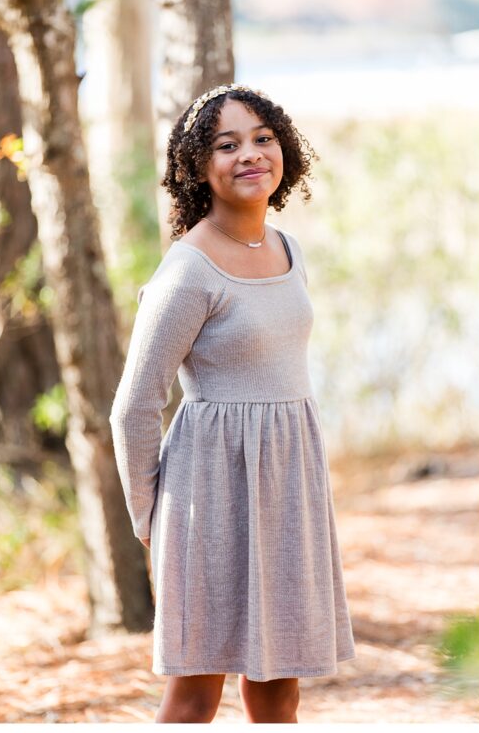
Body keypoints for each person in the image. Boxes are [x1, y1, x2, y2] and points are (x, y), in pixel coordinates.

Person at [110, 84, 355, 722]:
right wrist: (148, 516)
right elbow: (135, 405)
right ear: (198, 166)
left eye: (262, 139)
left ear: (285, 152)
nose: (250, 155)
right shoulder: (187, 271)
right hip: (208, 495)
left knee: (279, 685)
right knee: (196, 689)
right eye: (227, 144)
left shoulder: (288, 249)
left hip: (289, 488)